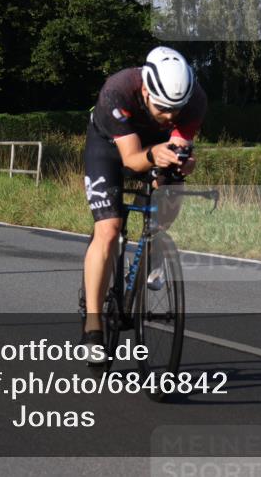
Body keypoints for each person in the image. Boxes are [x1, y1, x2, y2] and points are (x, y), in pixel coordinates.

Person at [81, 47, 206, 360]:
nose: (170, 116)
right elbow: (132, 159)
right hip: (110, 147)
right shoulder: (117, 91)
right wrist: (153, 156)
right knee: (109, 229)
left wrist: (182, 164)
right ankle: (93, 328)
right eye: (163, 108)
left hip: (153, 145)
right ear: (147, 90)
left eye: (176, 110)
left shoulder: (194, 101)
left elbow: (180, 147)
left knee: (172, 188)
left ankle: (153, 251)